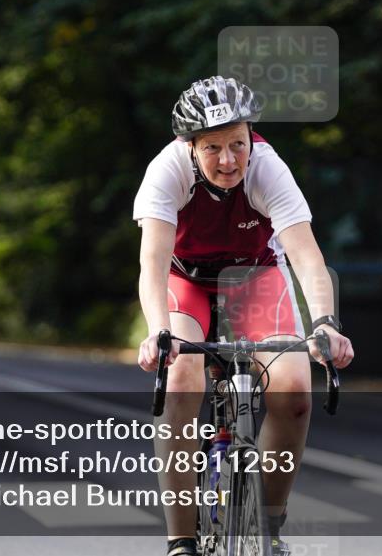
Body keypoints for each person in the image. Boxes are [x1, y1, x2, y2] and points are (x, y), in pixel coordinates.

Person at [134, 76, 354, 556]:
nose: (229, 160)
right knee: (182, 376)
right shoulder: (166, 171)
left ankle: (270, 529)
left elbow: (307, 258)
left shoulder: (269, 168)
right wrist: (159, 332)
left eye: (238, 143)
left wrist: (325, 324)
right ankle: (181, 540)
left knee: (295, 392)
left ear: (251, 137)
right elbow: (151, 265)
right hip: (185, 280)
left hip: (253, 277)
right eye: (212, 148)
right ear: (189, 146)